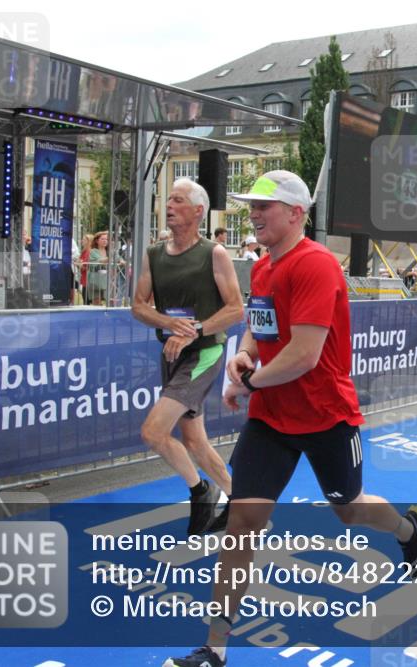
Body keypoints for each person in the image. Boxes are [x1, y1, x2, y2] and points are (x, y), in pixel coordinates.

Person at [163, 171, 417, 667]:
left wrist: (246, 381)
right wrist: (243, 357)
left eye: (266, 205)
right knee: (242, 524)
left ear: (297, 214)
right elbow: (257, 330)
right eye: (252, 205)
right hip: (271, 420)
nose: (255, 213)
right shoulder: (263, 268)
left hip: (326, 415)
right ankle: (214, 650)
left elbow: (304, 355)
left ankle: (407, 531)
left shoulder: (317, 266)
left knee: (349, 509)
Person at [132, 178, 241, 536]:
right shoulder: (154, 254)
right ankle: (237, 499)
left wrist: (195, 330)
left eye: (178, 200)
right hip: (171, 352)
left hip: (204, 353)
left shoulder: (214, 253)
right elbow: (138, 305)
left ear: (198, 211)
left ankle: (201, 491)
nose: (169, 205)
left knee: (153, 431)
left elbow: (236, 310)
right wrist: (169, 323)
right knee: (194, 440)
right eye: (168, 199)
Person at [87, 231, 110, 306]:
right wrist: (108, 259)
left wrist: (122, 261)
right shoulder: (93, 251)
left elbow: (119, 258)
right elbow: (98, 261)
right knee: (97, 302)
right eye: (102, 239)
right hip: (95, 281)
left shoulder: (110, 251)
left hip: (107, 281)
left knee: (110, 301)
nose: (105, 241)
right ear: (97, 241)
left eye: (106, 239)